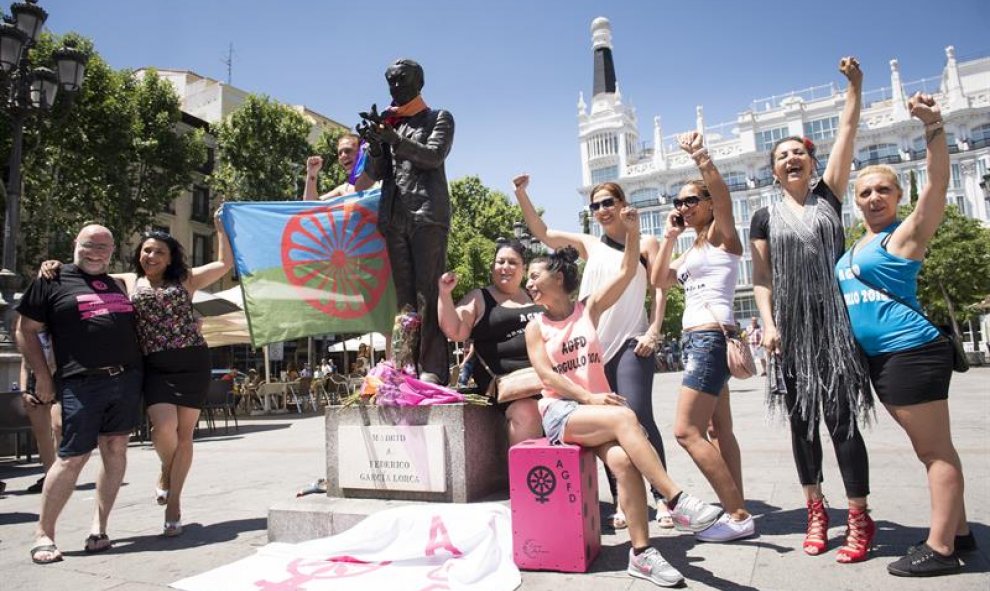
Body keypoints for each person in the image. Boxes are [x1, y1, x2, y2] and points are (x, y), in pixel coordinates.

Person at [524, 208, 721, 588]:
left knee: (624, 464)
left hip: (597, 411)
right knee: (625, 416)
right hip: (562, 411)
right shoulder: (536, 327)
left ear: (558, 276)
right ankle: (675, 499)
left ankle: (642, 553)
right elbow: (546, 376)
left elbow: (629, 272)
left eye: (535, 276)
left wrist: (632, 233)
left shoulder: (588, 309)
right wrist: (589, 397)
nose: (529, 284)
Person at [837, 93, 973, 576]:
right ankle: (958, 531)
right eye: (865, 193)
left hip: (911, 351)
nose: (874, 198)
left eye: (883, 190)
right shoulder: (858, 245)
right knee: (934, 449)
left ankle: (941, 552)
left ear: (898, 196)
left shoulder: (905, 234)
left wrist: (933, 127)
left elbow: (937, 184)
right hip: (886, 359)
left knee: (935, 451)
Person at [750, 57, 874, 563]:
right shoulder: (762, 215)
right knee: (803, 424)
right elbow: (762, 279)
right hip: (791, 330)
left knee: (842, 419)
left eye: (798, 151)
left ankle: (859, 517)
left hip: (836, 324)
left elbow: (847, 129)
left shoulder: (831, 196)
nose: (790, 159)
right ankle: (816, 512)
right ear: (774, 169)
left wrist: (855, 87)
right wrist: (769, 322)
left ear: (810, 160)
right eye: (782, 155)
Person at [40, 214, 233, 538]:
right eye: (146, 251)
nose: (152, 256)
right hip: (154, 366)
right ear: (138, 254)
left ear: (170, 257)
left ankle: (173, 504)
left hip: (193, 362)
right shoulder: (126, 281)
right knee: (162, 429)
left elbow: (225, 263)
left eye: (159, 252)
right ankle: (165, 470)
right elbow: (86, 270)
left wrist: (220, 228)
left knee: (184, 436)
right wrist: (54, 264)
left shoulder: (186, 279)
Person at [514, 173, 673, 530]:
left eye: (607, 202)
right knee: (605, 422)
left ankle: (664, 499)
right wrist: (521, 193)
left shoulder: (644, 241)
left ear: (622, 204)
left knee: (638, 415)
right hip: (592, 344)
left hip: (631, 339)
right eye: (595, 205)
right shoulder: (589, 244)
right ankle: (622, 499)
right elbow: (542, 232)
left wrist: (655, 328)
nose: (601, 210)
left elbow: (658, 286)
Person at [16, 224, 144, 564]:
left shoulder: (117, 283)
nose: (96, 252)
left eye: (103, 247)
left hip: (126, 380)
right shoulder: (52, 279)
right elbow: (25, 331)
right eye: (89, 245)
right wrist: (41, 377)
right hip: (81, 383)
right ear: (76, 243)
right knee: (72, 457)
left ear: (112, 250)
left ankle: (99, 528)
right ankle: (44, 534)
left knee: (116, 449)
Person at [652, 131, 754, 542]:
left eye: (690, 200)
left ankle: (738, 514)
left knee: (685, 431)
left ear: (709, 205)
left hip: (708, 339)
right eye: (678, 203)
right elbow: (658, 279)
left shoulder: (721, 236)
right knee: (718, 430)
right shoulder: (691, 248)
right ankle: (738, 506)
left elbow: (724, 197)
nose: (683, 207)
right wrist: (671, 237)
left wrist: (702, 158)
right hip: (704, 340)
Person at [356, 58, 454, 385]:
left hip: (427, 214)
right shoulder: (390, 124)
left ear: (418, 84)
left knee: (428, 293)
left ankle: (434, 368)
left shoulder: (439, 117)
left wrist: (394, 139)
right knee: (405, 299)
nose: (395, 89)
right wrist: (376, 145)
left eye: (401, 82)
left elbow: (433, 155)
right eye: (391, 83)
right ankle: (405, 364)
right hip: (394, 217)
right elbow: (375, 173)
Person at [438, 240, 544, 446]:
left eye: (512, 262)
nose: (505, 267)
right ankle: (523, 477)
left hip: (547, 380)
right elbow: (455, 331)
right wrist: (444, 294)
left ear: (524, 268)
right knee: (528, 412)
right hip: (507, 386)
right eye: (500, 261)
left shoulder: (536, 296)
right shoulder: (479, 297)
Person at [17, 316, 61, 494]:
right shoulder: (28, 333)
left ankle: (60, 470)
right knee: (43, 435)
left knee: (58, 426)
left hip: (58, 379)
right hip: (34, 383)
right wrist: (23, 391)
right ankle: (50, 475)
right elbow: (24, 364)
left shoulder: (57, 328)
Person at [302, 133, 368, 200]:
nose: (343, 156)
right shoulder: (344, 189)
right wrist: (312, 173)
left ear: (362, 152)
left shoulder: (378, 179)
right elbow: (311, 204)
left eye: (348, 150)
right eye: (340, 153)